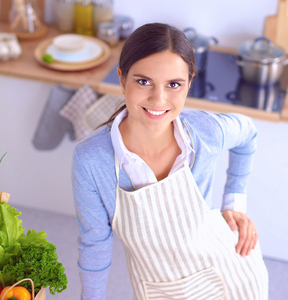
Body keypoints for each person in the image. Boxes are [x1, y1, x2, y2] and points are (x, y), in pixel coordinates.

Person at [72, 23, 268, 300]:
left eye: (174, 84)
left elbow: (248, 133)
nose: (158, 99)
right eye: (143, 81)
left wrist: (235, 202)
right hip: (158, 289)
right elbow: (94, 245)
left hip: (235, 272)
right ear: (121, 78)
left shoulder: (203, 134)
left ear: (189, 83)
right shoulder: (92, 159)